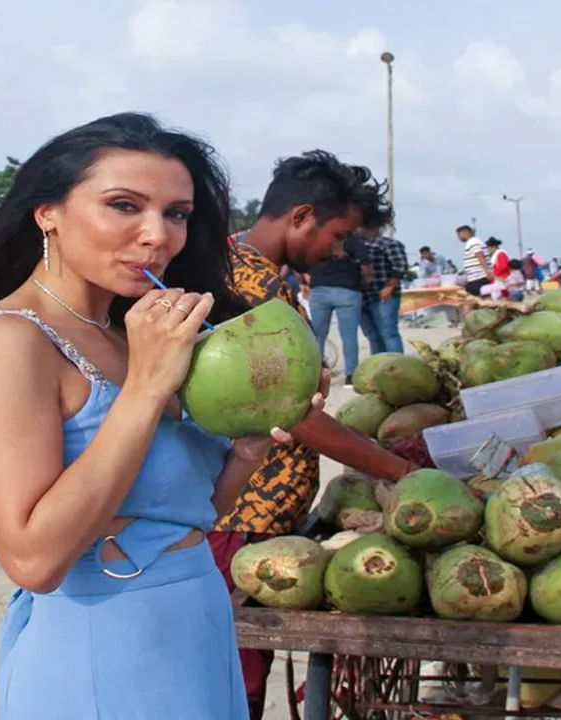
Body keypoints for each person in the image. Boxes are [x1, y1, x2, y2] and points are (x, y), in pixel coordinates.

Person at [0, 112, 287, 719]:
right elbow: (32, 559)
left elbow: (184, 515)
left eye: (177, 213)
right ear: (47, 213)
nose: (157, 234)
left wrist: (249, 449)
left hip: (195, 622)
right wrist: (145, 392)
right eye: (124, 205)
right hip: (105, 644)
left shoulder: (137, 333)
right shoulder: (9, 342)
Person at [218, 150, 416, 718]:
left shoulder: (254, 271)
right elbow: (295, 415)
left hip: (258, 522)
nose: (341, 251)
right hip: (240, 521)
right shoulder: (252, 286)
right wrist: (399, 471)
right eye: (339, 233)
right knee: (237, 688)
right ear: (302, 216)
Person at [307, 229, 371, 384]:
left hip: (319, 290)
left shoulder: (316, 237)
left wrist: (304, 283)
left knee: (317, 336)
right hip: (347, 290)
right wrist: (364, 281)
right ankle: (351, 376)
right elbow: (366, 266)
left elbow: (301, 265)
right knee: (349, 335)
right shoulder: (352, 239)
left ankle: (315, 376)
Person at [360, 220, 408, 354]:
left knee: (388, 332)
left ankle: (396, 364)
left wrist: (390, 287)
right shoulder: (356, 246)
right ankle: (378, 364)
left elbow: (400, 266)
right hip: (364, 297)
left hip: (385, 295)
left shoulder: (389, 244)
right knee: (373, 336)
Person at [457, 225, 491, 297]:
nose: (458, 238)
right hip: (477, 276)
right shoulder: (476, 241)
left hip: (478, 277)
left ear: (464, 233)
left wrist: (487, 271)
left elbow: (479, 255)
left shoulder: (472, 242)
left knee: (468, 299)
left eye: (459, 235)